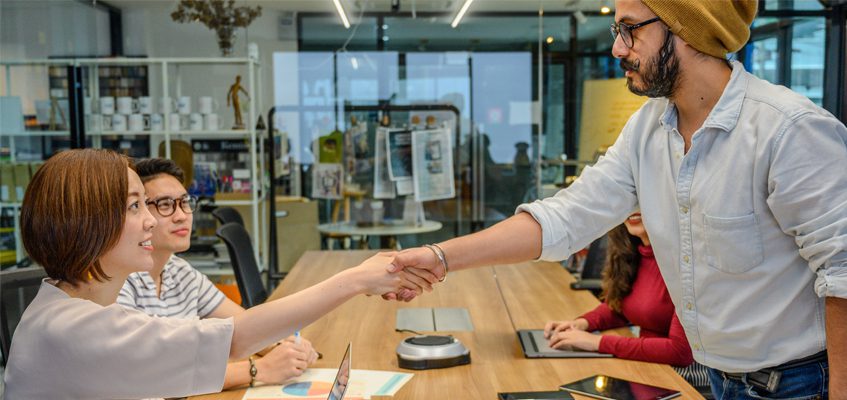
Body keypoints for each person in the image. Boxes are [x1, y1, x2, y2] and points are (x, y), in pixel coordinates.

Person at [385, 1, 847, 398]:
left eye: (629, 30)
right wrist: (440, 257)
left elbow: (843, 275)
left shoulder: (788, 129)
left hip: (801, 382)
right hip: (722, 379)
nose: (617, 49)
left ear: (685, 28)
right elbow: (566, 216)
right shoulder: (648, 130)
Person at [4, 149, 428, 399]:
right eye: (136, 206)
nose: (152, 221)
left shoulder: (69, 309)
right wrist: (356, 280)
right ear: (88, 223)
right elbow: (237, 337)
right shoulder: (74, 329)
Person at [117, 157, 318, 389]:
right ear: (138, 211)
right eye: (164, 205)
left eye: (185, 202)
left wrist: (284, 347)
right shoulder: (120, 283)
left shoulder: (179, 271)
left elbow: (241, 326)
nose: (181, 215)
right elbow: (151, 376)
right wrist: (259, 370)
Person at [545, 213, 709, 389]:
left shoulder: (687, 263)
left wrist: (596, 342)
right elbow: (620, 307)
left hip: (684, 379)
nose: (634, 210)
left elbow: (680, 352)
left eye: (643, 199)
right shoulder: (634, 251)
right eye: (630, 200)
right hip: (649, 366)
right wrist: (581, 324)